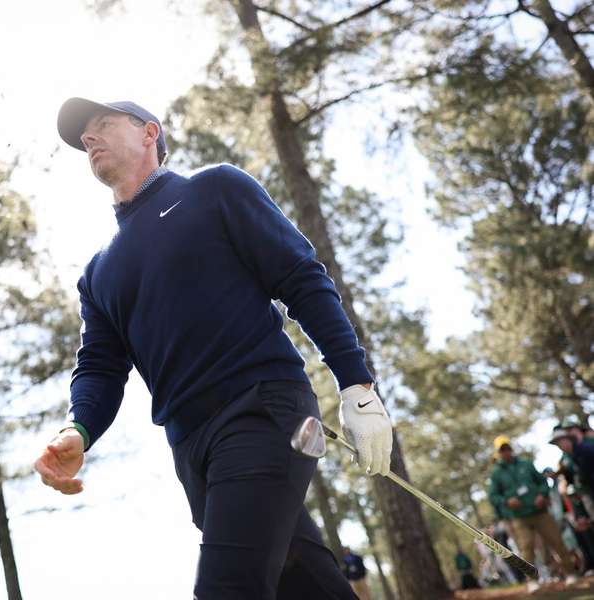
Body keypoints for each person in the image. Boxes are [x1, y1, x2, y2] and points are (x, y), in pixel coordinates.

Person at [34, 97, 393, 599]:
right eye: (83, 137)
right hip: (191, 448)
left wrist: (356, 384)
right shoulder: (97, 274)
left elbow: (301, 278)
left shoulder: (214, 189)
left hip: (263, 412)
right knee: (306, 583)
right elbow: (98, 366)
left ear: (149, 133)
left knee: (229, 589)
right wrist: (79, 428)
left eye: (103, 124)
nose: (88, 138)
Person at [487, 436, 578, 585]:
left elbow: (542, 482)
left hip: (540, 512)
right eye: (502, 450)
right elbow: (493, 496)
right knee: (526, 548)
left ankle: (569, 573)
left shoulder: (526, 464)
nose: (506, 452)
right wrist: (507, 501)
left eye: (507, 448)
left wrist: (542, 494)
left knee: (556, 541)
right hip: (519, 517)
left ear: (511, 448)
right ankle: (532, 581)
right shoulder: (497, 474)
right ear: (498, 453)